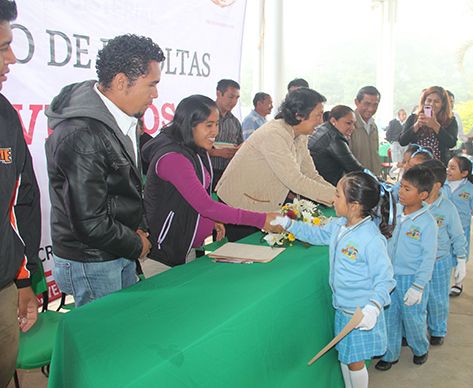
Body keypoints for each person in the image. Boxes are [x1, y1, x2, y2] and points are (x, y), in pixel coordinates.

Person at [45, 34, 163, 307]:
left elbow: (124, 190)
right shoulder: (82, 134)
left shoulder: (120, 119)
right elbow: (89, 222)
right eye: (152, 85)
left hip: (116, 246)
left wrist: (137, 233)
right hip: (92, 257)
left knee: (121, 330)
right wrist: (136, 244)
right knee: (103, 341)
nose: (155, 94)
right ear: (122, 82)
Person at [271, 171, 395, 388]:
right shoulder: (339, 226)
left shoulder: (371, 239)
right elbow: (316, 234)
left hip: (359, 313)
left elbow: (385, 279)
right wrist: (289, 224)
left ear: (354, 205)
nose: (332, 200)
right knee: (346, 359)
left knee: (355, 362)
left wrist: (374, 307)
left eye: (338, 195)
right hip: (343, 310)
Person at [141, 95, 280, 266]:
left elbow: (195, 199)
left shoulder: (195, 148)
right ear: (189, 124)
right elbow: (206, 206)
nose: (215, 131)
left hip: (184, 247)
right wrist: (261, 219)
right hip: (162, 254)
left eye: (216, 124)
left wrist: (211, 220)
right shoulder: (173, 158)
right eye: (208, 125)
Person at [216, 88, 335, 242]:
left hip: (262, 202)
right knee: (245, 257)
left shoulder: (300, 134)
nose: (321, 121)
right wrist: (339, 200)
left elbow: (311, 174)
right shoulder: (275, 134)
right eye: (318, 115)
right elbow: (295, 181)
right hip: (239, 204)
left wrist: (340, 196)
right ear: (299, 115)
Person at [0, 1, 41, 384]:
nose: (12, 58)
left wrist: (24, 280)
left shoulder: (5, 116)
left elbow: (19, 202)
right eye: (1, 48)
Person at [375, 166, 437, 371]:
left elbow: (428, 259)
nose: (400, 192)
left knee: (414, 319)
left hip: (412, 280)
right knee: (389, 317)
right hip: (391, 277)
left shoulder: (427, 223)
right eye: (401, 186)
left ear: (423, 195)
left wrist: (418, 286)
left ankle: (420, 348)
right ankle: (390, 354)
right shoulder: (395, 213)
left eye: (407, 189)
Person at [419, 159, 466, 346]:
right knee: (417, 298)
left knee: (438, 298)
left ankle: (438, 329)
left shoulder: (447, 208)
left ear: (437, 185)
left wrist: (461, 259)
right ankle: (416, 330)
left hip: (439, 261)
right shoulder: (414, 205)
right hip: (418, 261)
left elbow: (458, 235)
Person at [444, 156, 473, 297]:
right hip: (442, 230)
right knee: (443, 256)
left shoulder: (471, 190)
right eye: (448, 166)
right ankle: (442, 282)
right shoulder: (441, 186)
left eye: (453, 168)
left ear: (464, 173)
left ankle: (458, 283)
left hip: (461, 230)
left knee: (459, 256)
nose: (448, 170)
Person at [399, 86, 458, 164]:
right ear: (424, 102)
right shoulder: (413, 118)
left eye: (436, 101)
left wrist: (435, 125)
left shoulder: (450, 121)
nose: (432, 104)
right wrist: (416, 125)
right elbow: (402, 141)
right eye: (429, 100)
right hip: (415, 165)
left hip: (438, 165)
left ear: (442, 104)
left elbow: (451, 143)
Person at [309, 105, 363, 185]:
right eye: (348, 123)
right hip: (325, 187)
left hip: (315, 182)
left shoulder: (323, 128)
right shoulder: (334, 138)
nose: (353, 128)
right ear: (334, 121)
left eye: (354, 123)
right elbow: (355, 168)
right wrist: (381, 183)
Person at [208, 79, 243, 187]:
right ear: (219, 94)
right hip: (207, 171)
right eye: (230, 97)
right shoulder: (204, 116)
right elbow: (191, 146)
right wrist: (216, 152)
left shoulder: (235, 122)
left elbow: (240, 143)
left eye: (237, 98)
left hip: (228, 174)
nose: (234, 102)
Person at [349, 86, 382, 176]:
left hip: (373, 179)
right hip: (356, 180)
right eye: (367, 104)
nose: (371, 109)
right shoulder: (349, 125)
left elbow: (375, 153)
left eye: (375, 105)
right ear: (356, 102)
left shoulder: (373, 126)